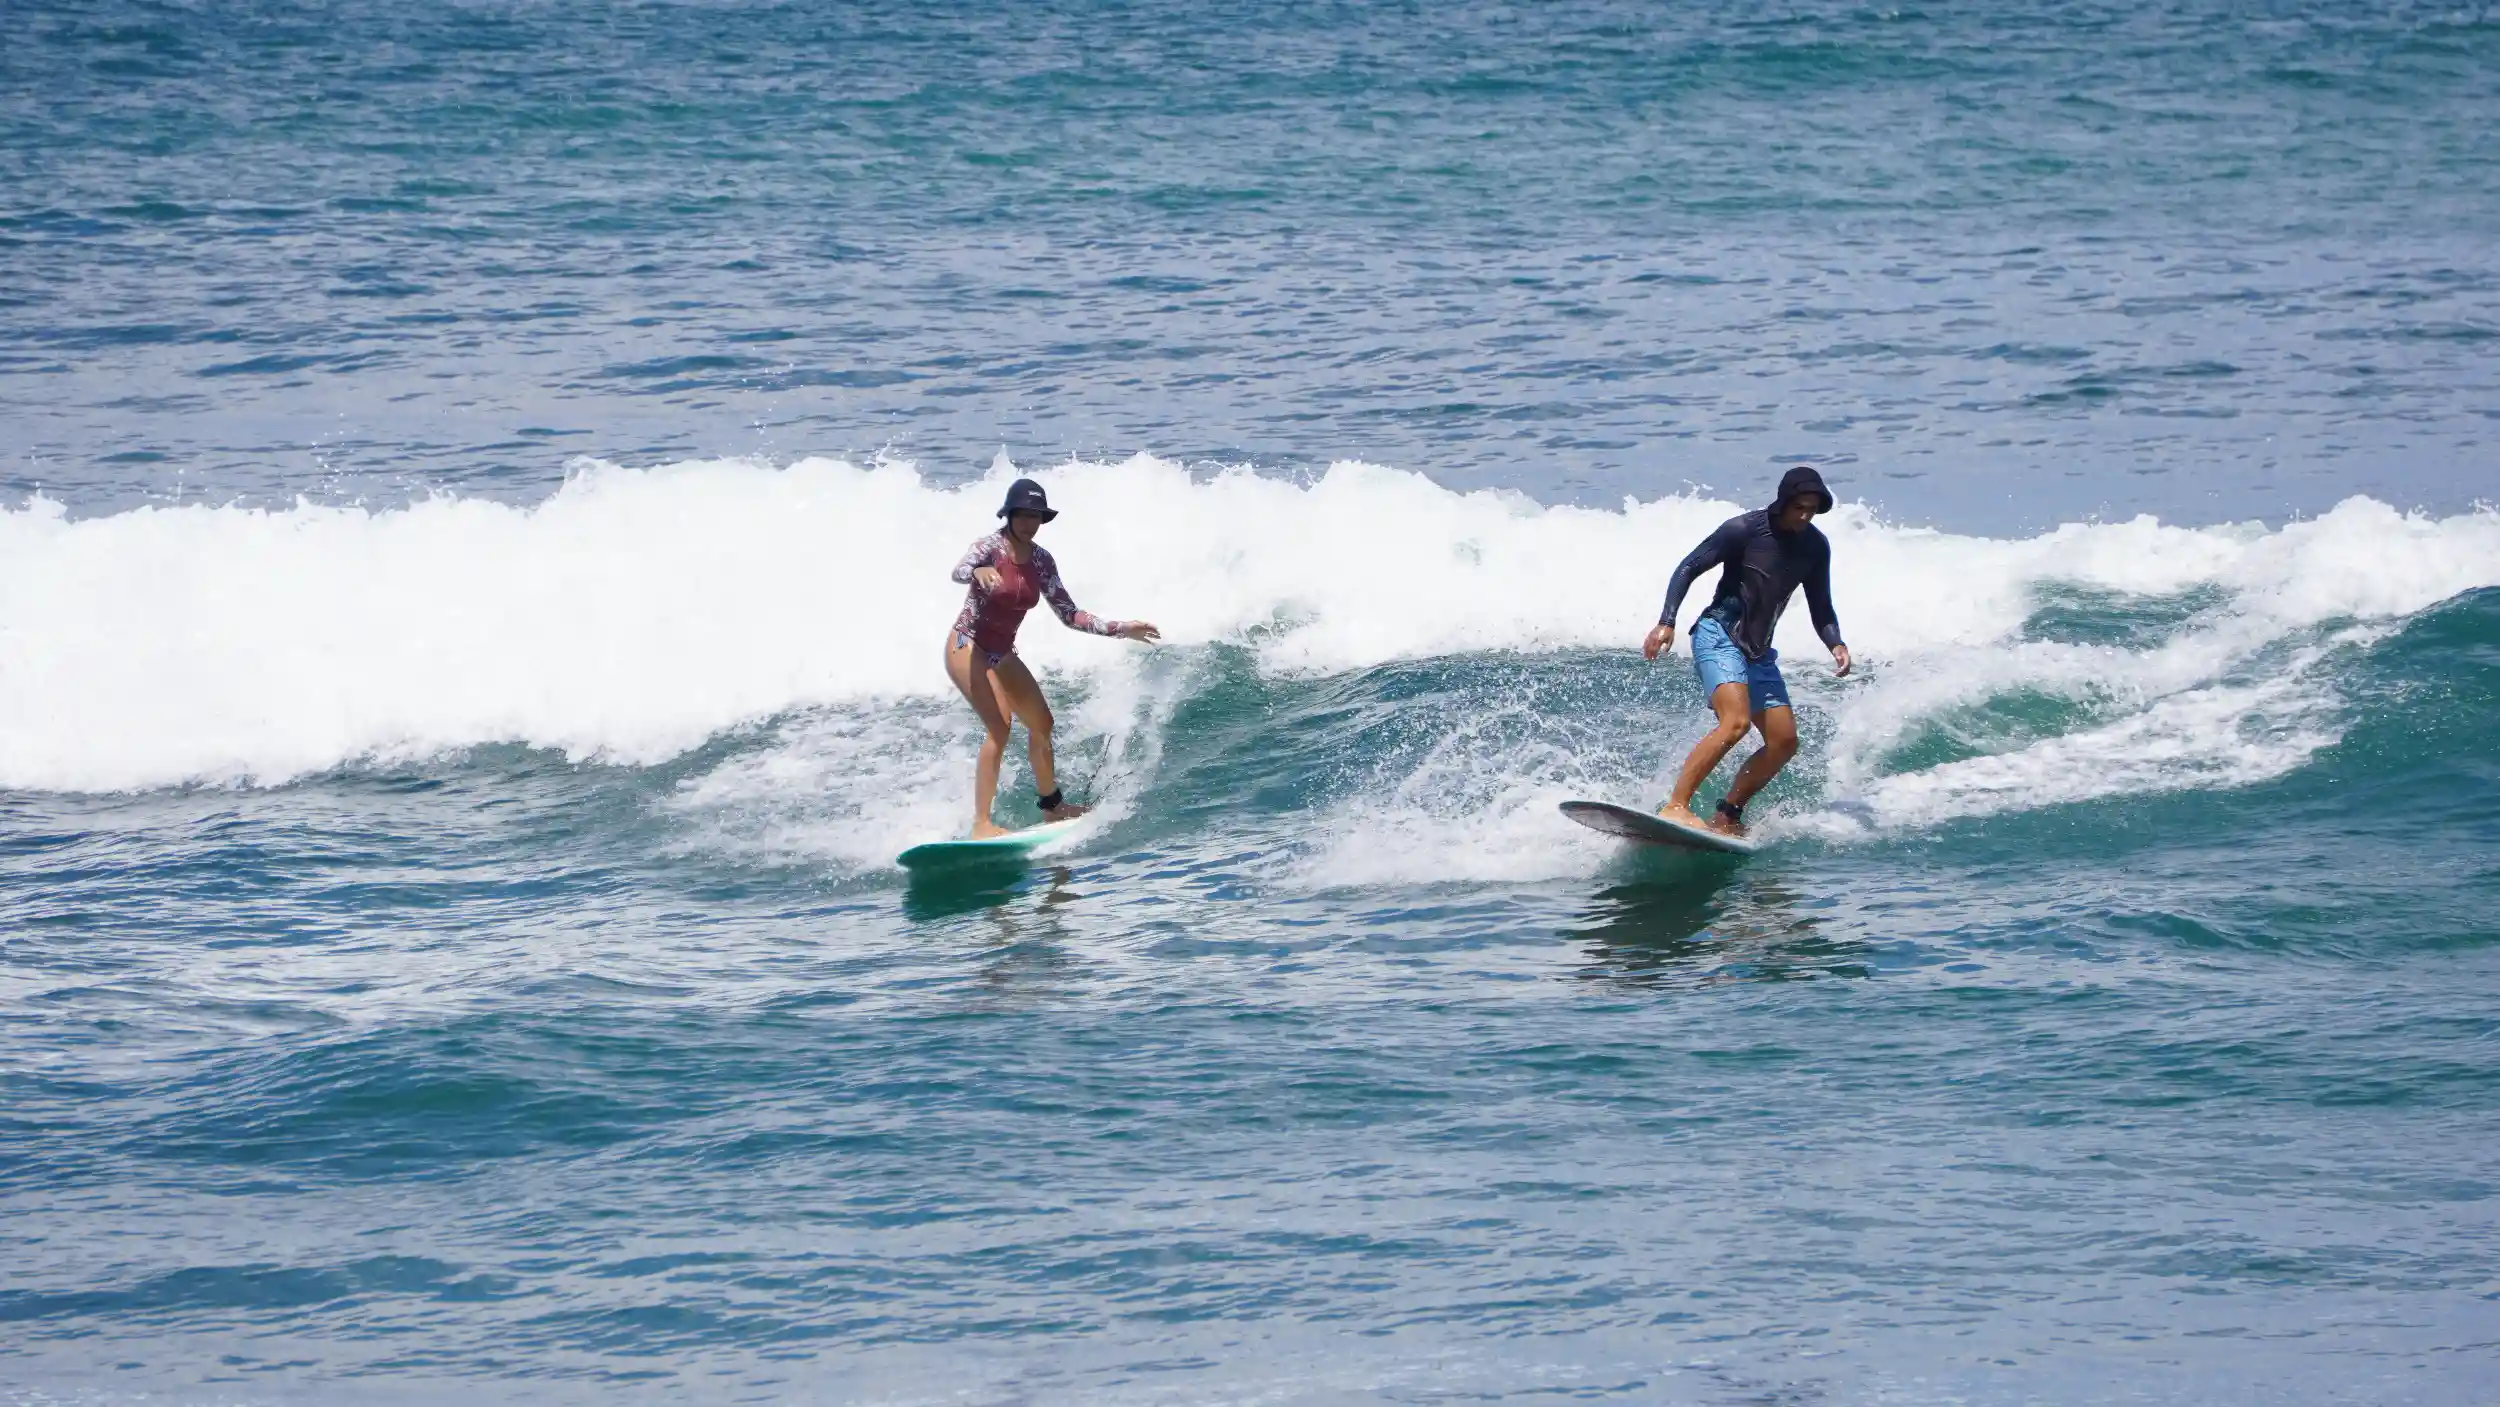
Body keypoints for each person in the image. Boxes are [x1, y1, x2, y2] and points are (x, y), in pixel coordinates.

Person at [1641, 466, 1853, 837]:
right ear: (1784, 501)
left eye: (1812, 509)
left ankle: (1728, 814)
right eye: (1799, 507)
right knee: (1735, 723)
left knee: (1784, 742)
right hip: (1718, 635)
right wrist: (1666, 621)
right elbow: (1689, 566)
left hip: (1758, 652)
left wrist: (1835, 642)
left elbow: (1821, 603)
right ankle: (1676, 805)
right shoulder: (1743, 530)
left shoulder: (1815, 547)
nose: (1804, 516)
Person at [947, 478, 1159, 838]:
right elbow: (959, 571)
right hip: (967, 645)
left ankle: (1053, 807)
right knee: (1000, 727)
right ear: (1010, 514)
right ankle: (981, 824)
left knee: (1042, 724)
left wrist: (1121, 628)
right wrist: (978, 571)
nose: (1030, 523)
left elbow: (1069, 614)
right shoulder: (988, 548)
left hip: (1000, 652)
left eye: (1037, 516)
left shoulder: (1042, 562)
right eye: (1024, 515)